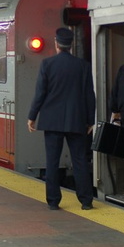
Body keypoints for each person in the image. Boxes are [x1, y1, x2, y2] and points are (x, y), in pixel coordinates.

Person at [27, 27, 96, 211]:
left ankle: (53, 201)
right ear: (71, 45)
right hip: (76, 120)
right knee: (79, 160)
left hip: (52, 121)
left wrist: (32, 116)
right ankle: (86, 201)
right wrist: (91, 120)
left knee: (52, 161)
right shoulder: (83, 66)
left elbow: (40, 93)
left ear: (56, 44)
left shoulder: (47, 64)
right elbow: (90, 95)